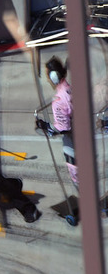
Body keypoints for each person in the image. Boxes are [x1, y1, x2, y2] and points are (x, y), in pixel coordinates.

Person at [38, 56, 76, 187]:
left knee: (76, 174)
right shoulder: (69, 88)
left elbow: (62, 127)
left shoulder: (58, 101)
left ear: (54, 76)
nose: (47, 78)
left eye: (48, 75)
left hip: (72, 140)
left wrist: (44, 125)